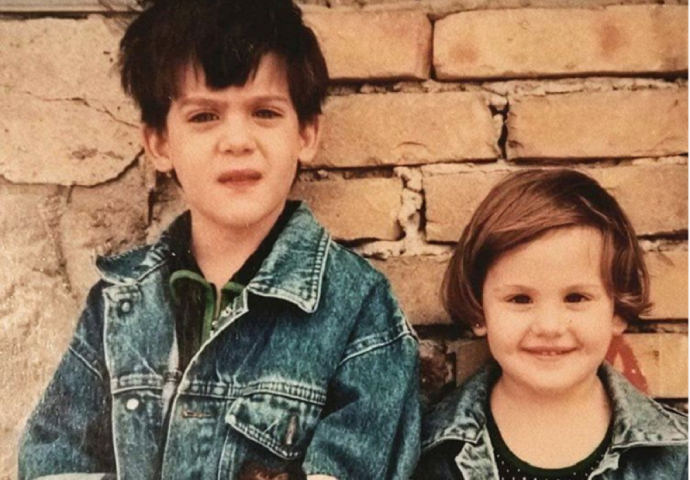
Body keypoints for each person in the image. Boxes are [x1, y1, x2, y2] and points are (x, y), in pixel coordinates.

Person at [18, 0, 420, 478]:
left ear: (306, 134)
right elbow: (52, 463)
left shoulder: (357, 310)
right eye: (204, 116)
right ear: (159, 144)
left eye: (265, 112)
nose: (236, 141)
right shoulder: (117, 304)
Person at [415, 169, 688, 479]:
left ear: (617, 311)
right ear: (479, 309)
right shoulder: (428, 454)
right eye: (520, 299)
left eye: (576, 298)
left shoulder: (678, 456)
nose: (549, 326)